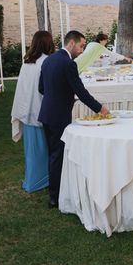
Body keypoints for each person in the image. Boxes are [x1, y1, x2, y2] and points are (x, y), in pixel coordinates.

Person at [38, 30, 110, 208]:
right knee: (57, 154)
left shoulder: (48, 60)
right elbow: (81, 92)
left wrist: (62, 94)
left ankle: (56, 190)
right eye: (81, 46)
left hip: (46, 113)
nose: (82, 50)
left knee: (53, 154)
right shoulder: (69, 64)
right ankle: (55, 196)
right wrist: (100, 108)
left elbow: (42, 88)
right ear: (71, 43)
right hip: (58, 115)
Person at [11, 31, 56, 192]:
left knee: (32, 149)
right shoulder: (48, 61)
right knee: (44, 147)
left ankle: (33, 178)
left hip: (27, 109)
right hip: (40, 108)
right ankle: (42, 179)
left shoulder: (27, 62)